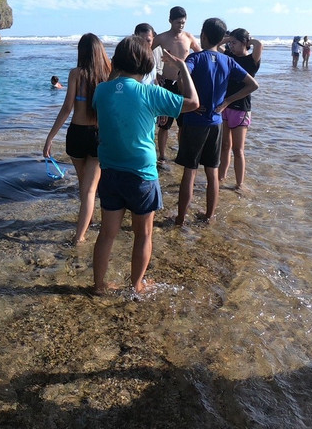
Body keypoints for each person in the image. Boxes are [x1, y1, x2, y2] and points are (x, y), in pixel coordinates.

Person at [91, 36, 198, 295]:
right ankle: (136, 285)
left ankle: (98, 286)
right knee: (143, 234)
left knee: (107, 233)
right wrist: (183, 66)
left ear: (117, 61)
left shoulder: (101, 91)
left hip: (110, 171)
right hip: (141, 174)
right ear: (147, 64)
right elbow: (194, 103)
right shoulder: (150, 92)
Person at [175, 18, 258, 225]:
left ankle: (180, 218)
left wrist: (191, 100)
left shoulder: (196, 58)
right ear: (222, 39)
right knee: (212, 172)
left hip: (195, 121)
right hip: (215, 122)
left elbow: (181, 80)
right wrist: (227, 101)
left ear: (203, 36)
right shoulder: (227, 60)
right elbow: (252, 85)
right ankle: (209, 216)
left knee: (189, 171)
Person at [43, 33, 113, 244]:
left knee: (84, 185)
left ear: (81, 52)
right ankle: (80, 235)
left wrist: (50, 137)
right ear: (100, 51)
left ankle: (85, 226)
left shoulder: (75, 74)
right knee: (91, 189)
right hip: (98, 135)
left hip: (76, 134)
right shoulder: (108, 74)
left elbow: (67, 108)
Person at [151, 7, 201, 163]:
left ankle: (181, 153)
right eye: (178, 22)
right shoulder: (161, 38)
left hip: (183, 84)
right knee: (164, 123)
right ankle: (162, 156)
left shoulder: (189, 37)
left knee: (183, 123)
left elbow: (200, 56)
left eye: (183, 22)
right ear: (170, 21)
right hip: (166, 83)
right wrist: (154, 74)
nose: (181, 25)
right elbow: (145, 53)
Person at [218, 28, 263, 191]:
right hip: (225, 107)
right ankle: (221, 178)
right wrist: (229, 39)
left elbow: (259, 44)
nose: (231, 46)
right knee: (224, 146)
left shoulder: (251, 60)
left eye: (234, 43)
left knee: (238, 149)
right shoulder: (229, 56)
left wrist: (247, 41)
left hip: (241, 108)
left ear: (244, 43)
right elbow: (216, 46)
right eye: (230, 43)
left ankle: (239, 184)